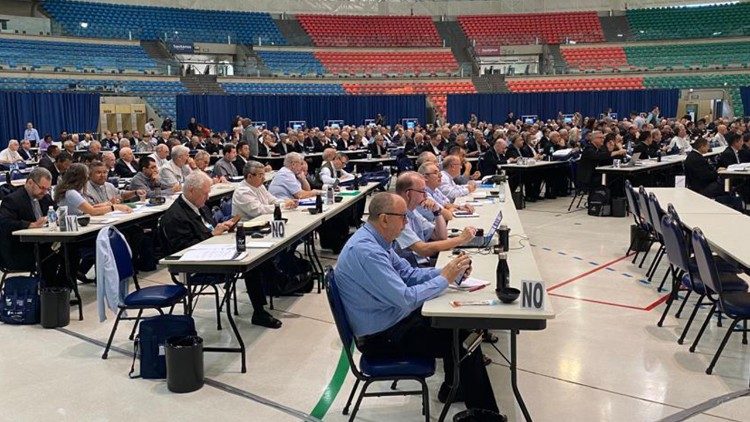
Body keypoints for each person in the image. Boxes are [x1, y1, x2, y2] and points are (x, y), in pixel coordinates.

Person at [335, 192, 501, 414]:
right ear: (384, 219)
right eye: (403, 216)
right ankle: (484, 415)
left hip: (391, 319)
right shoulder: (367, 251)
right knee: (462, 338)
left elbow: (409, 273)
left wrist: (447, 270)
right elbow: (405, 298)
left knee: (456, 325)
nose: (406, 221)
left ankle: (455, 387)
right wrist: (445, 279)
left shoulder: (379, 240)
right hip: (381, 336)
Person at [160, 171, 280, 328]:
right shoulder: (175, 216)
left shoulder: (198, 205)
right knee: (250, 265)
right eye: (205, 193)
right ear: (191, 191)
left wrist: (224, 226)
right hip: (194, 265)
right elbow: (183, 250)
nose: (208, 197)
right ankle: (259, 311)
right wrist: (211, 234)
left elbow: (209, 226)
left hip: (213, 249)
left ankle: (278, 285)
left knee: (259, 256)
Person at [394, 172, 477, 265]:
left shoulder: (413, 212)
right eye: (422, 191)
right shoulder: (396, 217)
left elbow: (440, 236)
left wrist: (436, 211)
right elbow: (422, 249)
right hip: (413, 269)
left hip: (422, 264)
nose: (426, 196)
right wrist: (461, 239)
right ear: (408, 194)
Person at [0, 167, 62, 286]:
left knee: (70, 250)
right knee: (55, 255)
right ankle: (49, 291)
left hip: (42, 242)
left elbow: (56, 211)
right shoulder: (12, 200)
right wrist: (30, 225)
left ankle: (60, 289)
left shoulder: (45, 197)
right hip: (20, 249)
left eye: (47, 189)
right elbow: (4, 223)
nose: (44, 192)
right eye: (42, 188)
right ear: (30, 183)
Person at [54, 163, 132, 216]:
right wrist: (115, 207)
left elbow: (90, 207)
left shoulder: (72, 191)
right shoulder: (71, 193)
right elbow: (92, 211)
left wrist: (107, 204)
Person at [232, 161, 297, 220]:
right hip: (247, 227)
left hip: (263, 221)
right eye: (260, 175)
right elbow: (259, 211)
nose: (264, 179)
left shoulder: (260, 186)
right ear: (250, 176)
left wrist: (287, 202)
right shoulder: (242, 191)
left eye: (264, 175)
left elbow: (273, 200)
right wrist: (283, 206)